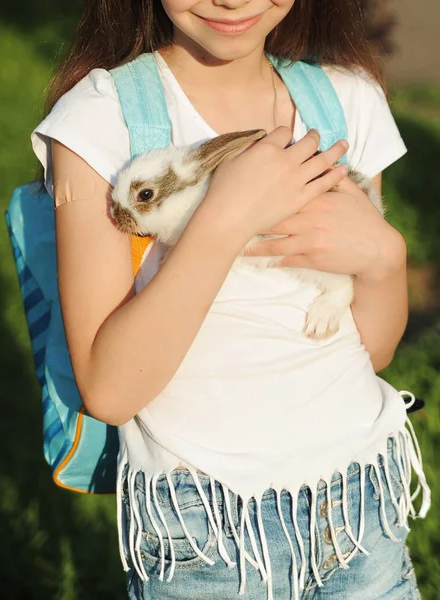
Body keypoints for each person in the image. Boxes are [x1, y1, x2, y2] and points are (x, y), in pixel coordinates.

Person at [31, 1, 430, 598]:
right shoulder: (102, 121)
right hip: (208, 532)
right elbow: (110, 392)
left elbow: (368, 348)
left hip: (361, 505)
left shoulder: (345, 102)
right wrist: (224, 220)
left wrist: (384, 258)